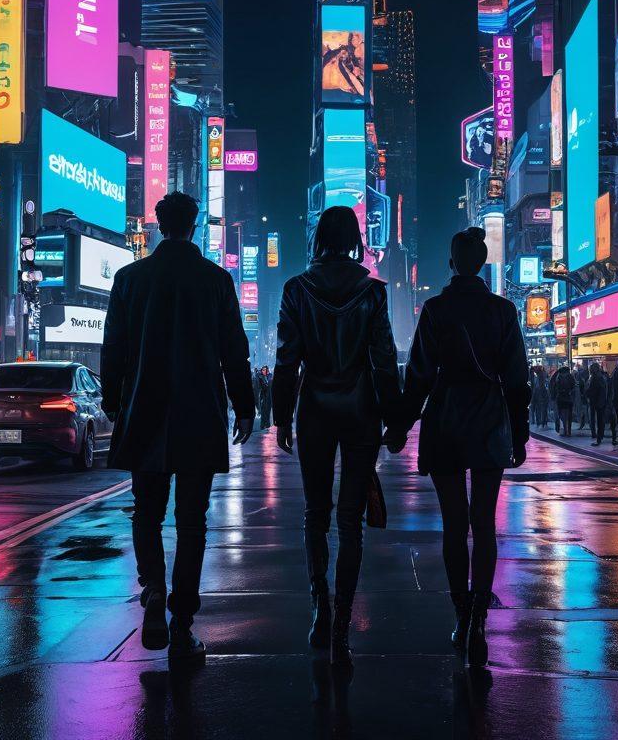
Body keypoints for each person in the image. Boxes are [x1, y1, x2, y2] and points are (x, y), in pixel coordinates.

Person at [101, 191, 255, 661]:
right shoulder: (216, 280)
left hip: (144, 408)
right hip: (199, 411)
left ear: (158, 225)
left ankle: (152, 588)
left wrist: (113, 401)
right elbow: (234, 350)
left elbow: (113, 347)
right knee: (192, 522)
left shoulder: (129, 278)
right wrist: (245, 406)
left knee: (146, 513)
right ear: (195, 226)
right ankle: (182, 621)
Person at [272, 206, 404, 668]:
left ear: (319, 238)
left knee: (315, 514)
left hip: (314, 411)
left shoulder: (296, 290)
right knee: (350, 521)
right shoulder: (373, 292)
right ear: (354, 240)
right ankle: (343, 623)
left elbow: (287, 360)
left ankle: (320, 609)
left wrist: (281, 417)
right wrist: (395, 419)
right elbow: (384, 360)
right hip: (361, 412)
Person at [398, 226, 530, 670]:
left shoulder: (436, 309)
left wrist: (400, 425)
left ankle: (460, 613)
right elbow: (517, 379)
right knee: (484, 524)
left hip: (446, 421)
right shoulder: (503, 310)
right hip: (490, 421)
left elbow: (418, 375)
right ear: (484, 263)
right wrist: (519, 432)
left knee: (454, 525)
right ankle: (479, 620)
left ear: (452, 263)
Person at [586, 363, 610, 447]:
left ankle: (598, 437)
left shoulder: (594, 378)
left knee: (595, 419)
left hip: (595, 402)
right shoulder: (602, 377)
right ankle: (600, 436)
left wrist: (586, 393)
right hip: (602, 401)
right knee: (600, 420)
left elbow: (592, 390)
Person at [551, 366, 577, 436]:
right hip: (568, 398)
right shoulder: (570, 377)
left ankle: (565, 429)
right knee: (569, 416)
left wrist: (554, 396)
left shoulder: (557, 377)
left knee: (562, 415)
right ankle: (568, 430)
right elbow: (573, 387)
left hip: (561, 398)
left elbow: (554, 387)